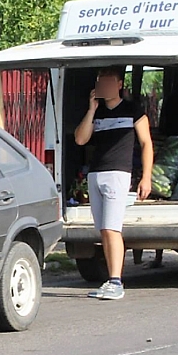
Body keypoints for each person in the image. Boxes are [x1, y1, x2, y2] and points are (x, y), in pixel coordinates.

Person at [74, 66, 154, 300]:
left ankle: (116, 281)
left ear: (119, 85)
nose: (104, 86)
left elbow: (146, 143)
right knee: (103, 230)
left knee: (112, 228)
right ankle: (110, 280)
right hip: (95, 174)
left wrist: (146, 177)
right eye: (101, 82)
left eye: (109, 82)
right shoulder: (97, 113)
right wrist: (91, 110)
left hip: (118, 174)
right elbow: (80, 139)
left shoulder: (133, 110)